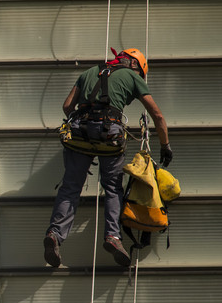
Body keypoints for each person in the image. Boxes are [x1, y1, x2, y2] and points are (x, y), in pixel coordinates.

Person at [44, 48, 171, 267]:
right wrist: (165, 145)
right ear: (134, 65)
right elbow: (156, 114)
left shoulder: (89, 72)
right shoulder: (132, 76)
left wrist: (86, 124)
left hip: (79, 133)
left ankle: (55, 234)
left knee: (70, 187)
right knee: (112, 187)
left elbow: (67, 106)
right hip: (109, 135)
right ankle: (112, 236)